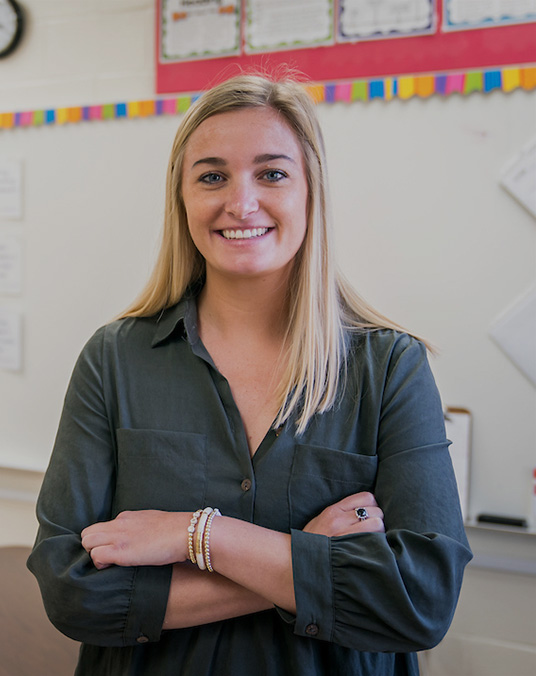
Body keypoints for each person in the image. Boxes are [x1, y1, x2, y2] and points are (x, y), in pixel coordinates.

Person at [26, 73, 472, 676]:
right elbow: (72, 591)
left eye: (272, 173)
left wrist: (196, 536)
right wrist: (307, 556)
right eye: (212, 176)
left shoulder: (391, 367)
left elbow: (420, 602)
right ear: (181, 198)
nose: (241, 203)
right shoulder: (113, 360)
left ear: (311, 192)